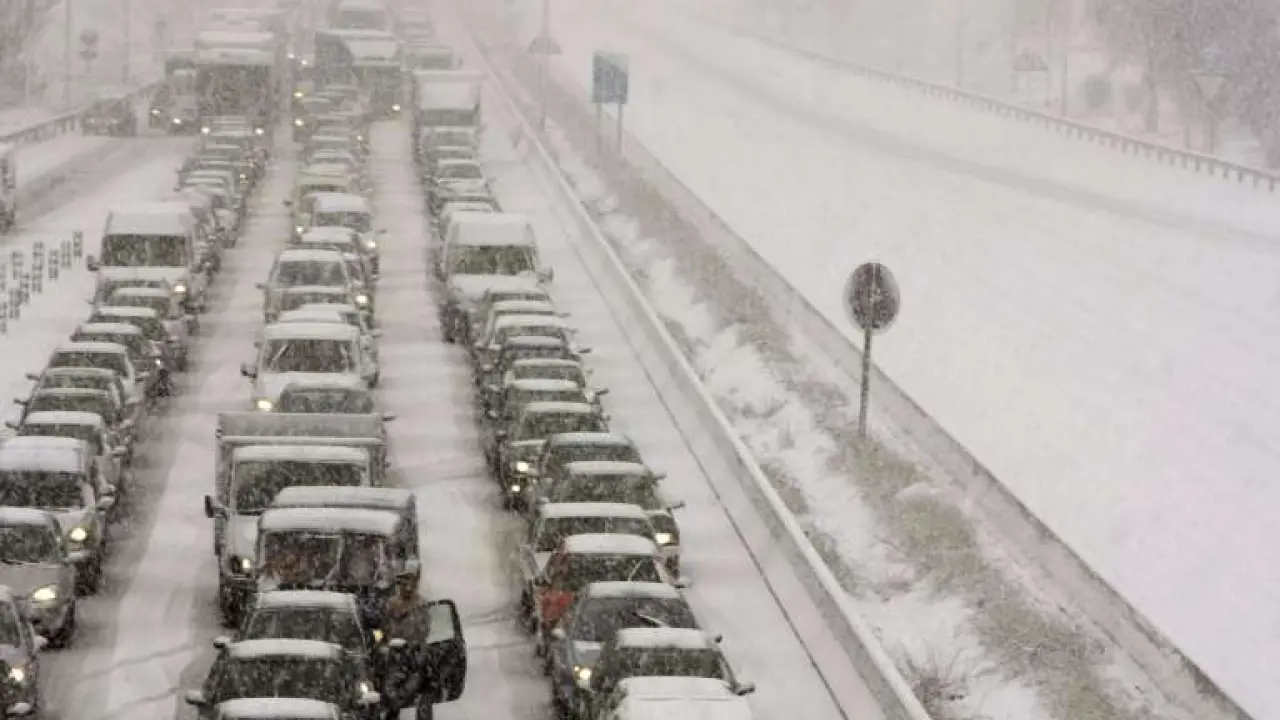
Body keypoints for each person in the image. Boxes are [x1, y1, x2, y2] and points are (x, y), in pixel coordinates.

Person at [377, 574, 432, 720]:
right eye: (404, 585)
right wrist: (381, 643)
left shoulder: (421, 604)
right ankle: (392, 712)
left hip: (415, 653)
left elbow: (426, 629)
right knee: (391, 690)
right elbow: (381, 628)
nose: (408, 588)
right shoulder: (391, 604)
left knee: (420, 688)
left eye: (411, 585)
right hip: (394, 653)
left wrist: (414, 642)